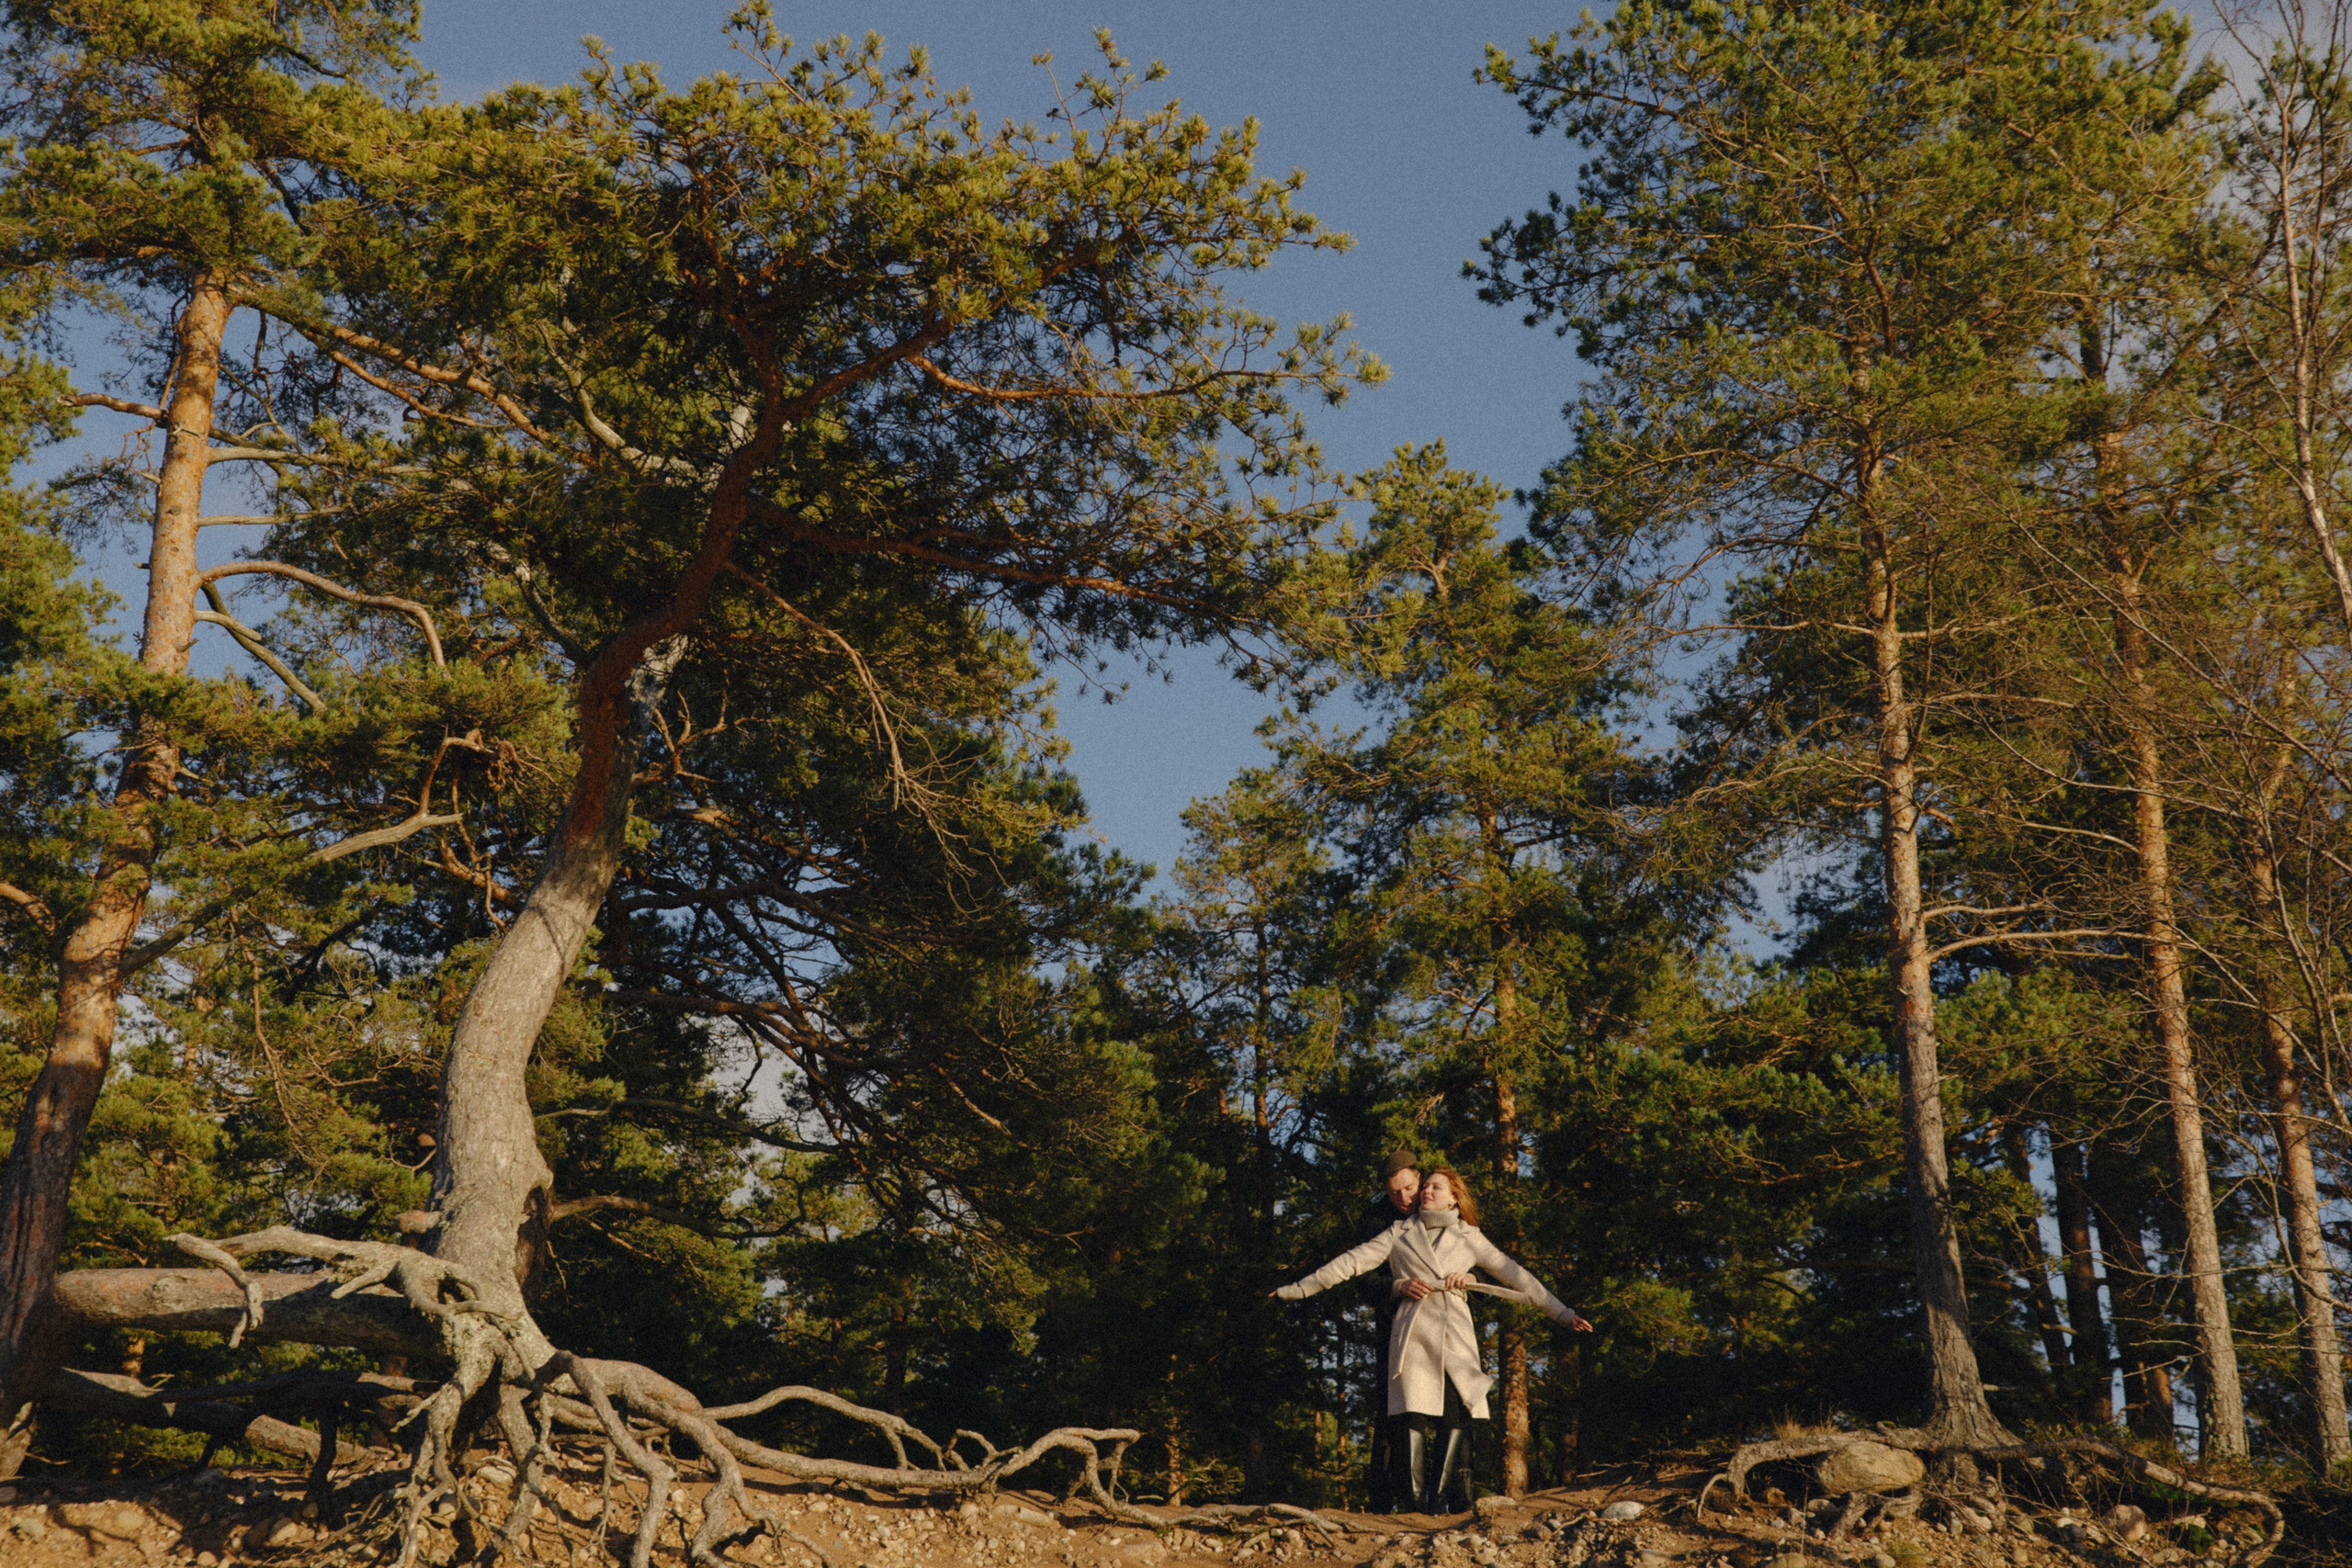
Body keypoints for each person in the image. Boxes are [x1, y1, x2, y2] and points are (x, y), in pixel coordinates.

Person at [1270, 1168, 1591, 1514]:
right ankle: (1412, 1505)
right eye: (1425, 1187)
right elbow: (1349, 1263)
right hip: (1413, 1331)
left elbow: (1518, 1277)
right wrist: (1298, 1289)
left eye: (1435, 1187)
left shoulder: (1471, 1237)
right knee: (1411, 1414)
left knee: (1455, 1415)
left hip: (1456, 1331)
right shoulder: (1398, 1231)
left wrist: (1561, 1312)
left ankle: (1437, 1503)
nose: (1426, 1192)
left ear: (1454, 1196)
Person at [1357, 1152, 1423, 1511]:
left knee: (1450, 1410)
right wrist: (1397, 1287)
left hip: (1441, 1326)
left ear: (1420, 1177)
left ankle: (1447, 1500)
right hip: (1394, 1324)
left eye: (1409, 1188)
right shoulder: (1375, 1220)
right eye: (1394, 1193)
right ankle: (1382, 1502)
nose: (1404, 1199)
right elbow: (1364, 1280)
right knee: (1390, 1409)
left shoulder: (1440, 1204)